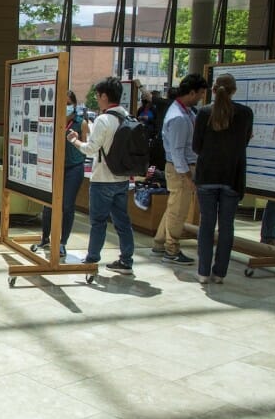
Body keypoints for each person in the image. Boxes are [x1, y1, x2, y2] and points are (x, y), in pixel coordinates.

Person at [67, 76, 136, 275]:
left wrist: (75, 140)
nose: (97, 99)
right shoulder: (127, 117)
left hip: (102, 179)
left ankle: (92, 257)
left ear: (105, 96)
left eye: (98, 96)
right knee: (122, 221)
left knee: (98, 221)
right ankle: (126, 260)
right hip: (122, 179)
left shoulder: (103, 119)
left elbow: (90, 149)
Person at [192, 73, 254, 284]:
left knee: (206, 224)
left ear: (213, 89)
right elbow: (244, 142)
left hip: (207, 174)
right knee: (227, 226)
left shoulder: (204, 113)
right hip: (233, 175)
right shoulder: (245, 114)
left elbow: (196, 146)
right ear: (234, 90)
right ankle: (220, 272)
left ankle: (202, 271)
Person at [152, 73, 209, 266]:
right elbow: (177, 152)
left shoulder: (187, 112)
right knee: (178, 210)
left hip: (181, 167)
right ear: (191, 92)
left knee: (173, 207)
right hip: (180, 169)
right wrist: (186, 176)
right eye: (200, 93)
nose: (202, 97)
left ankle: (160, 243)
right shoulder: (178, 117)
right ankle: (172, 249)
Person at [35, 90, 87, 256]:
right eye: (61, 104)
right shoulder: (52, 122)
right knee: (48, 204)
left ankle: (62, 242)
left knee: (67, 206)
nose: (65, 107)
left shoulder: (81, 123)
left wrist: (77, 140)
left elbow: (87, 147)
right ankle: (45, 238)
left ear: (74, 105)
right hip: (53, 167)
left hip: (74, 167)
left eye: (68, 104)